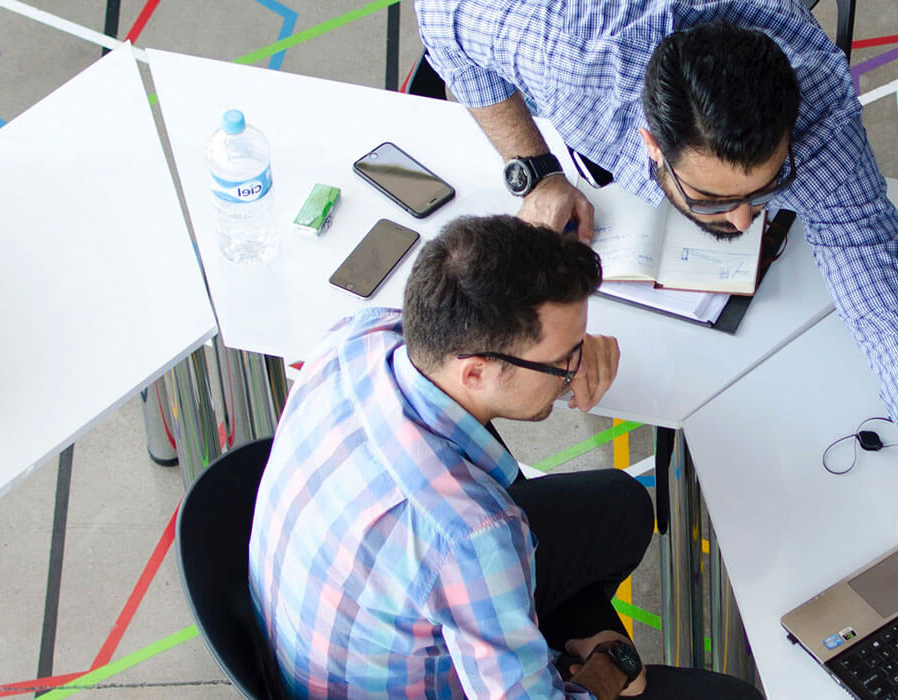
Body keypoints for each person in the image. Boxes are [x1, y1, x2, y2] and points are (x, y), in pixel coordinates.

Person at [418, 0, 898, 600]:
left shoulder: (820, 116)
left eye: (766, 188)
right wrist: (535, 169)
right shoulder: (566, 48)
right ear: (652, 145)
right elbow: (439, 19)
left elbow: (888, 317)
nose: (745, 223)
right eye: (713, 200)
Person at [248, 215, 764, 699]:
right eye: (563, 360)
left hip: (322, 630)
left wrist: (564, 352)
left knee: (622, 507)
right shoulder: (473, 535)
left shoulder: (358, 337)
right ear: (475, 372)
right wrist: (609, 668)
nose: (577, 367)